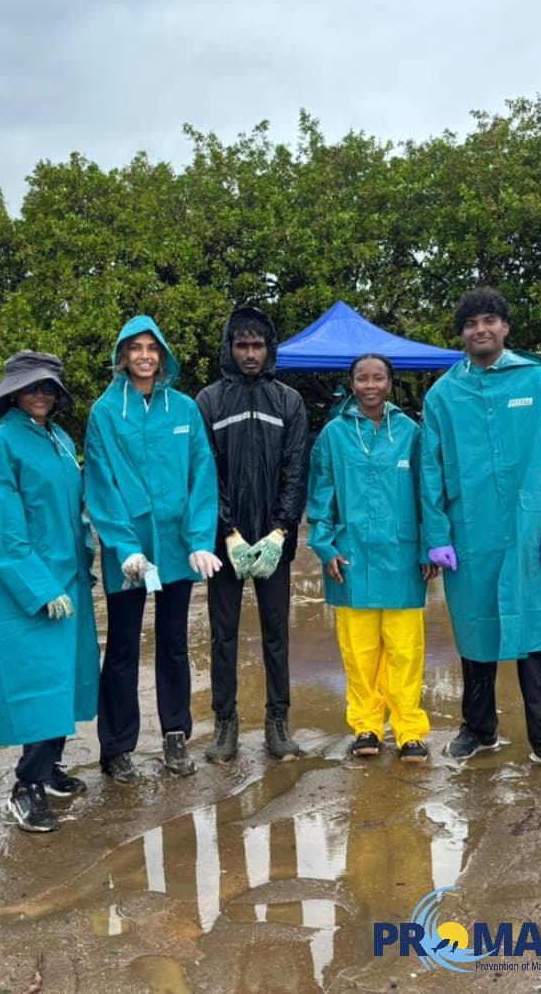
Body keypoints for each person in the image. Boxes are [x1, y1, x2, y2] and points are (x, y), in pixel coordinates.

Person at [421, 288, 541, 778]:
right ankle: (479, 728)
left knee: (534, 635)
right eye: (471, 324)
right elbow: (431, 468)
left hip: (528, 533)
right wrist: (438, 534)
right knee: (476, 633)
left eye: (489, 320)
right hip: (470, 536)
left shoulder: (537, 381)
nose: (480, 330)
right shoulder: (444, 394)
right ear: (462, 334)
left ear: (505, 327)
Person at [0, 352, 100, 832]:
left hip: (66, 578)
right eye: (32, 386)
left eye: (49, 387)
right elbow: (2, 528)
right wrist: (38, 586)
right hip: (30, 586)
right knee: (37, 685)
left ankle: (52, 768)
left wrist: (85, 562)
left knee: (65, 679)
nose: (42, 394)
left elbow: (75, 509)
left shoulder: (58, 439)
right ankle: (27, 786)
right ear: (13, 391)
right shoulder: (3, 443)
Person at [83, 316, 220, 784]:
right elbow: (101, 482)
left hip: (178, 548)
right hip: (131, 553)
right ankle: (117, 747)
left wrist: (201, 540)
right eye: (135, 348)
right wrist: (123, 547)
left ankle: (176, 735)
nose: (144, 355)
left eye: (152, 348)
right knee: (122, 648)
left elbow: (202, 475)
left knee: (174, 643)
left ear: (162, 354)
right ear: (123, 356)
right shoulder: (105, 411)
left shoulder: (183, 409)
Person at [307, 353, 434, 763]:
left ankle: (410, 730)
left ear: (390, 383)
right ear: (352, 384)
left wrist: (429, 545)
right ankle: (366, 727)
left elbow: (426, 494)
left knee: (405, 650)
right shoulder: (333, 435)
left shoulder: (410, 433)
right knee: (359, 652)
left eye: (378, 378)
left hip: (402, 559)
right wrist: (326, 547)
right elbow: (320, 497)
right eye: (362, 378)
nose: (370, 385)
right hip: (352, 559)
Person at [196, 306, 308, 762]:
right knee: (223, 635)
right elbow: (205, 474)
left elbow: (296, 470)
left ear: (269, 349)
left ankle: (277, 722)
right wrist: (228, 533)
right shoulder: (209, 402)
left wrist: (281, 531)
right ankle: (225, 724)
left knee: (276, 633)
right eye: (241, 345)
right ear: (229, 348)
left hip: (272, 544)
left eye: (257, 345)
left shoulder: (289, 402)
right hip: (227, 546)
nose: (249, 353)